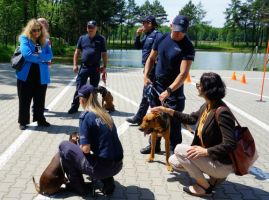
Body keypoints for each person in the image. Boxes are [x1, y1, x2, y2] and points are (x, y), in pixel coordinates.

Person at [151, 72, 236, 197]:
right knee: (174, 161)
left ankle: (205, 186)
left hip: (222, 163)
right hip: (212, 158)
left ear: (208, 89)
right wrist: (166, 110)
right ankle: (214, 177)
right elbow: (190, 119)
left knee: (179, 149)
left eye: (199, 85)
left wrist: (205, 152)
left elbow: (230, 144)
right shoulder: (207, 105)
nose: (197, 87)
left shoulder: (222, 112)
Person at [141, 15, 195, 154]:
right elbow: (151, 58)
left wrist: (169, 90)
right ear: (171, 26)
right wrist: (146, 75)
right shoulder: (161, 38)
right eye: (176, 29)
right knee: (155, 117)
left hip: (174, 90)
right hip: (157, 85)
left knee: (174, 122)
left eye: (182, 31)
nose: (179, 33)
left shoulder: (188, 47)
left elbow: (183, 74)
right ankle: (154, 145)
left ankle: (174, 151)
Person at [59, 84, 123, 195]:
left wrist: (79, 143)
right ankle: (108, 182)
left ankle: (78, 186)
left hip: (102, 168)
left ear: (82, 100)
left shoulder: (86, 117)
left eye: (79, 99)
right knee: (104, 151)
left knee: (64, 146)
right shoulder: (106, 115)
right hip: (118, 166)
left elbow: (86, 149)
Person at [16, 19, 53, 130]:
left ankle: (40, 119)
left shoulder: (45, 41)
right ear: (30, 30)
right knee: (24, 99)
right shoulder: (24, 39)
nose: (36, 32)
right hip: (26, 74)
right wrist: (42, 59)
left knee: (40, 99)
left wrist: (38, 57)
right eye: (34, 30)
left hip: (42, 75)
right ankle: (23, 121)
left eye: (39, 30)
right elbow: (27, 55)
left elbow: (50, 55)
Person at [126, 15, 163, 125]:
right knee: (150, 95)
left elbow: (160, 52)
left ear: (150, 23)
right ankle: (155, 116)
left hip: (154, 69)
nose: (143, 25)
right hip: (148, 69)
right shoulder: (147, 36)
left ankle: (143, 117)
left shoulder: (157, 35)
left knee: (148, 94)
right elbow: (137, 46)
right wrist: (137, 36)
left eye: (144, 23)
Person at [68, 20, 108, 114]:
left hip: (95, 68)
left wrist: (105, 66)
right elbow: (77, 52)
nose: (90, 29)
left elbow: (104, 53)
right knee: (79, 87)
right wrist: (74, 64)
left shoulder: (101, 39)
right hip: (84, 67)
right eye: (89, 27)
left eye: (92, 27)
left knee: (93, 89)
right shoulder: (82, 38)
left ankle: (93, 107)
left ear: (96, 28)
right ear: (87, 28)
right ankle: (74, 107)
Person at [31, 18, 52, 113]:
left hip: (45, 66)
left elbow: (49, 53)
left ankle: (41, 106)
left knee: (43, 87)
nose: (44, 25)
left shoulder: (47, 37)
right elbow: (36, 54)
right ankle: (35, 107)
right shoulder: (35, 38)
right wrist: (44, 58)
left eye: (45, 23)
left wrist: (49, 61)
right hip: (37, 66)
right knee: (36, 88)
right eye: (42, 23)